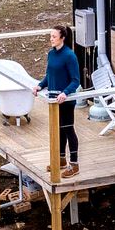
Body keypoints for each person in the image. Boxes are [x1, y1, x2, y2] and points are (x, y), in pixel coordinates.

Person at [37, 24, 82, 177]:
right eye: (50, 36)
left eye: (54, 37)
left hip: (66, 101)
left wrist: (65, 93)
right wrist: (40, 85)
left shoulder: (70, 56)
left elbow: (76, 80)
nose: (51, 39)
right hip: (53, 100)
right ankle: (61, 160)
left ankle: (74, 164)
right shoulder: (51, 54)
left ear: (62, 38)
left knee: (68, 129)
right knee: (59, 129)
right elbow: (49, 75)